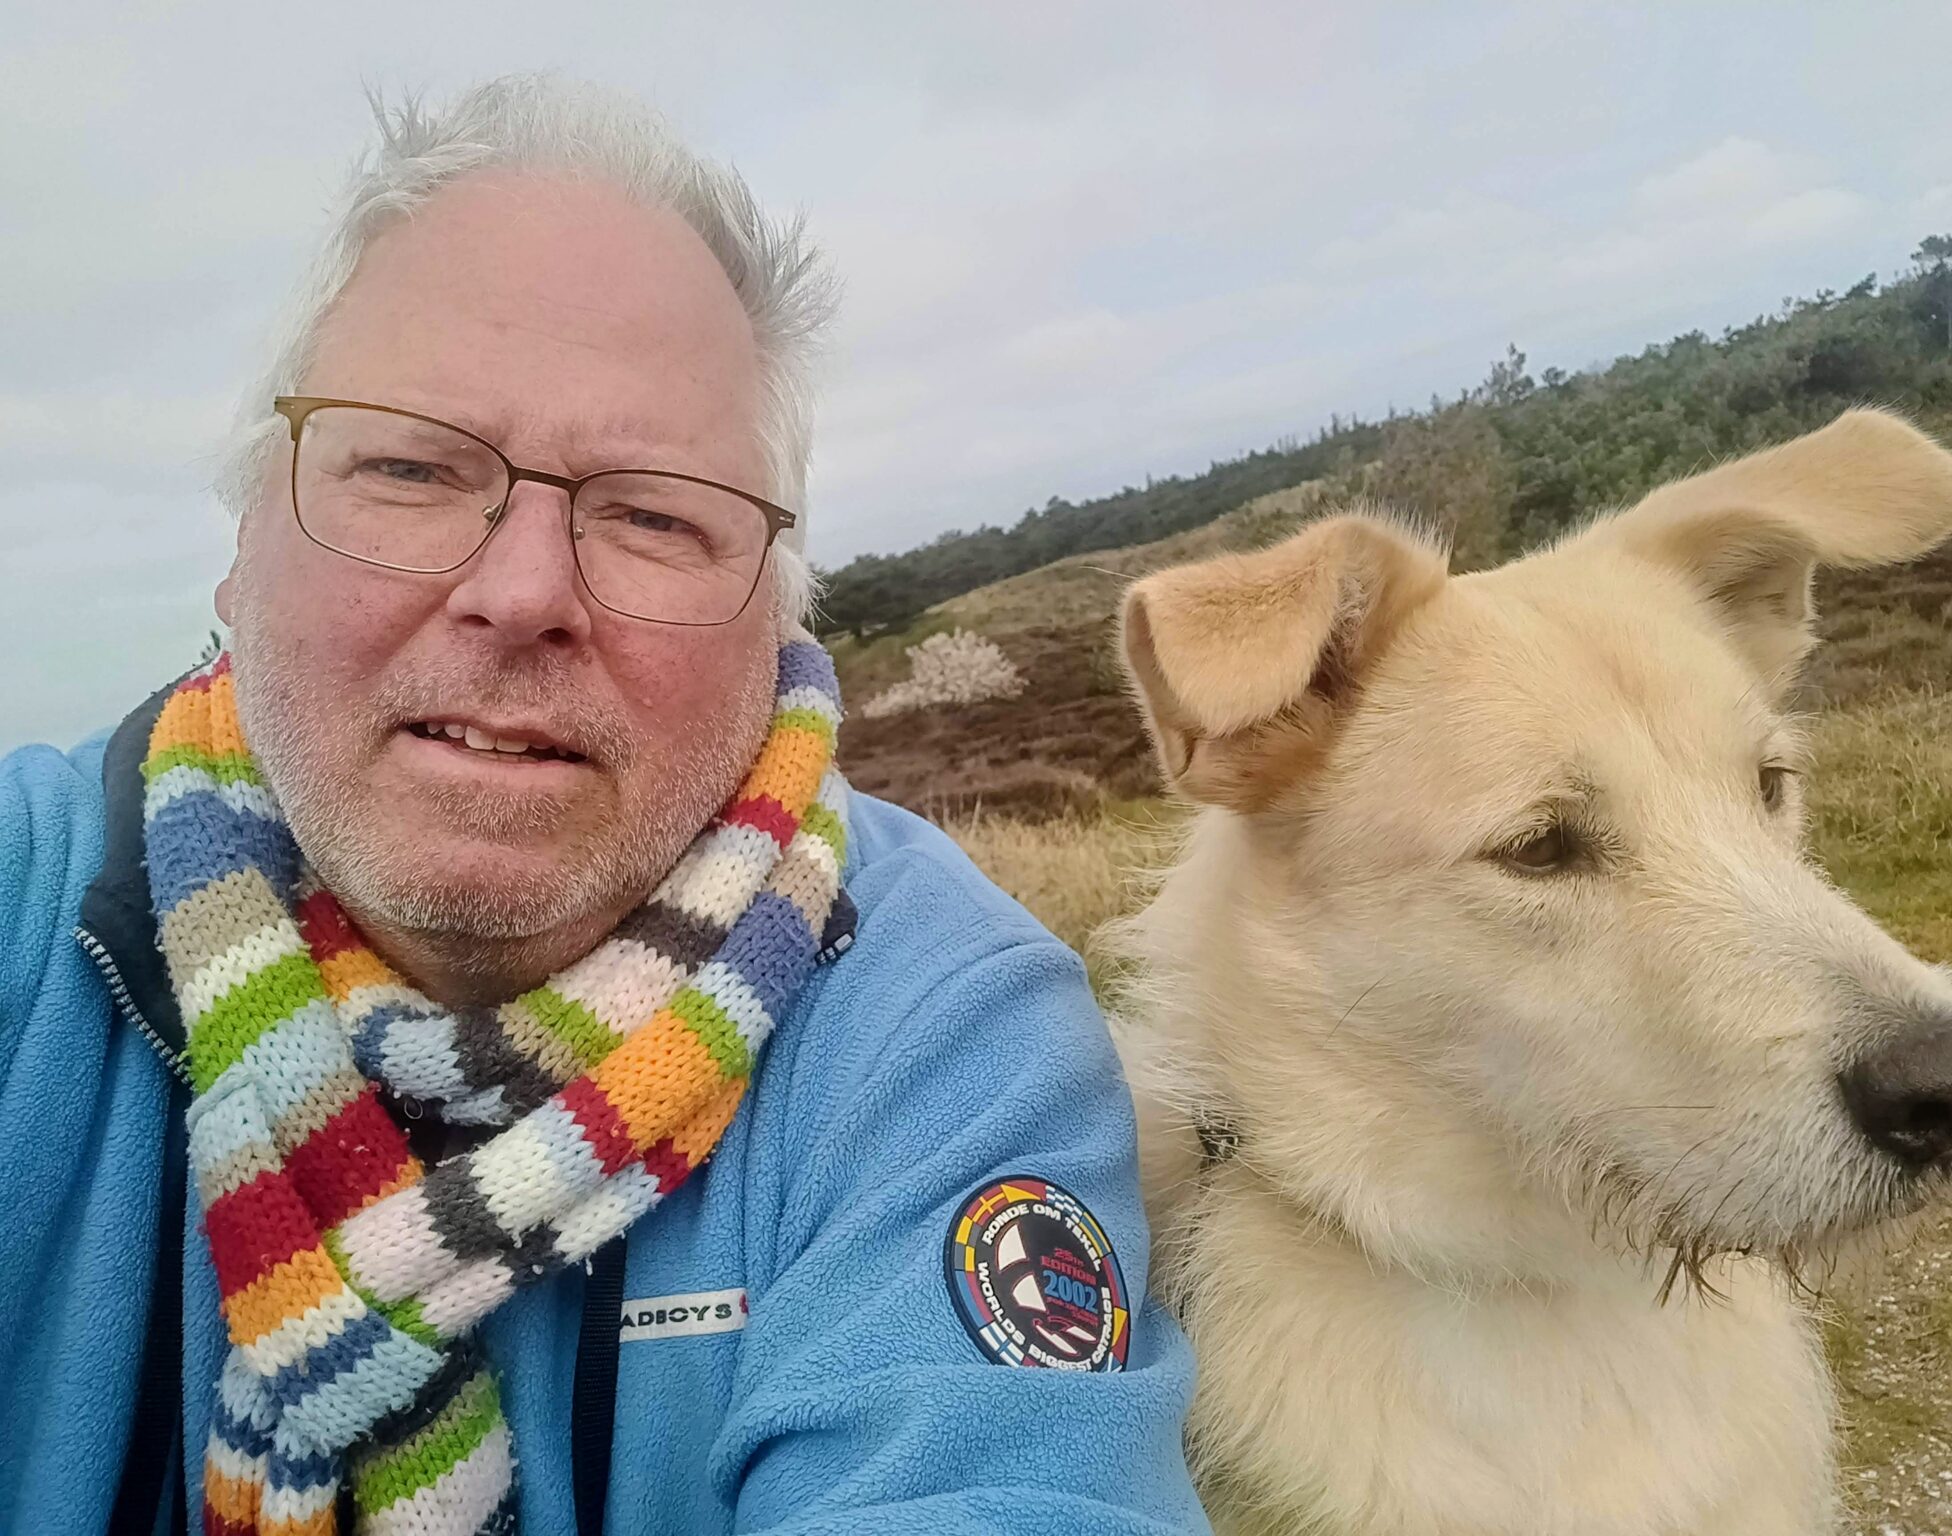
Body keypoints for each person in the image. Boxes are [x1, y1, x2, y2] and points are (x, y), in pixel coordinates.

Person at [0, 74, 1208, 1536]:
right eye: (408, 466)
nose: (522, 593)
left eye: (652, 513)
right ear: (244, 539)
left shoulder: (946, 1032)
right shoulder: (28, 909)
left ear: (777, 622)